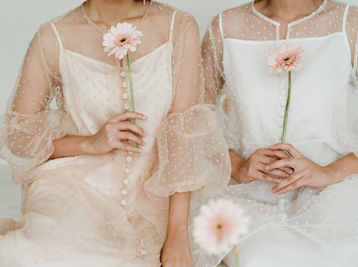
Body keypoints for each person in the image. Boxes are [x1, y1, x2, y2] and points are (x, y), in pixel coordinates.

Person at [0, 0, 230, 266]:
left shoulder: (177, 26)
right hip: (71, 191)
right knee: (28, 254)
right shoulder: (53, 36)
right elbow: (18, 139)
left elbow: (184, 136)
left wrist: (177, 237)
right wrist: (89, 143)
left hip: (150, 199)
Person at [195, 0, 358, 266]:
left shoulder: (349, 22)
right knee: (261, 258)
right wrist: (236, 166)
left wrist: (330, 173)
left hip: (334, 198)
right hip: (249, 199)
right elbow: (193, 118)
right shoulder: (225, 26)